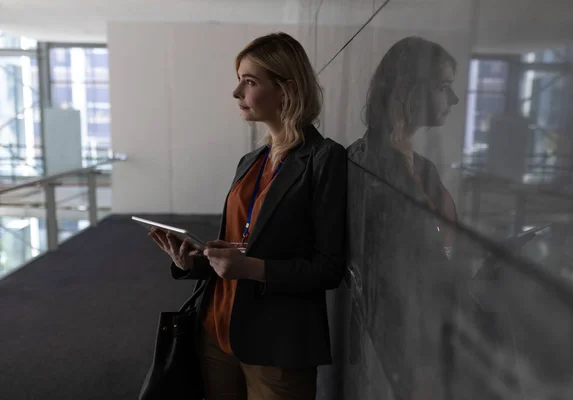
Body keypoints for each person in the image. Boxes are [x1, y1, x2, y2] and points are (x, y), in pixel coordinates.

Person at [149, 32, 347, 400]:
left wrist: (250, 269)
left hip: (277, 346)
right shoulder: (251, 160)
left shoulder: (324, 159)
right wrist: (194, 262)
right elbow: (241, 244)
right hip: (217, 330)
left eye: (250, 81)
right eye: (238, 79)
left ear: (286, 89)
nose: (236, 92)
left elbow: (329, 268)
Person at [345, 37, 461, 399]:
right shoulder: (364, 163)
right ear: (409, 89)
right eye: (444, 87)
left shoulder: (421, 167)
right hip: (397, 340)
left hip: (418, 331)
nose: (453, 100)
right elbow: (376, 266)